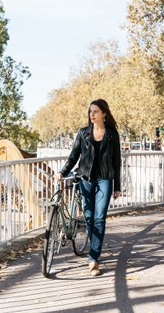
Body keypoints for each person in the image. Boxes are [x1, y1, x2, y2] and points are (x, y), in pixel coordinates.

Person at [55, 99, 121, 276]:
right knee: (90, 218)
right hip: (85, 179)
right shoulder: (83, 133)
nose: (92, 114)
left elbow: (117, 162)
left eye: (96, 111)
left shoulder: (112, 134)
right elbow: (73, 156)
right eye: (90, 111)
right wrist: (62, 172)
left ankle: (94, 258)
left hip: (105, 180)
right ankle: (95, 244)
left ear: (104, 114)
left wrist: (117, 186)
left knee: (100, 218)